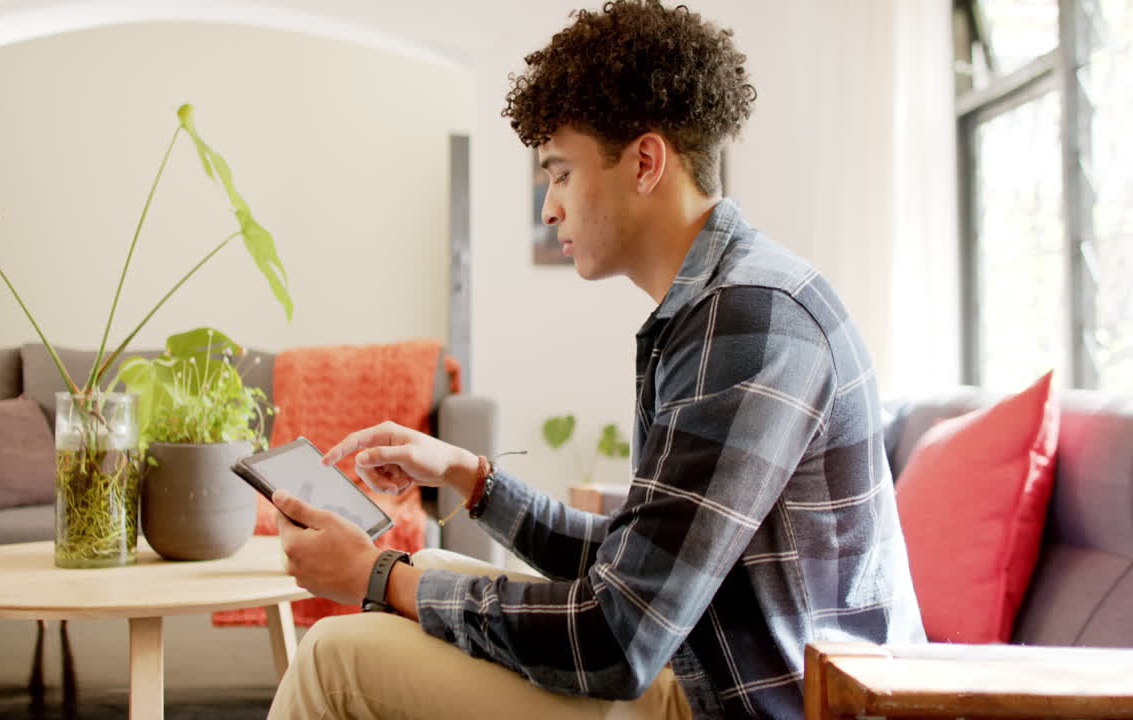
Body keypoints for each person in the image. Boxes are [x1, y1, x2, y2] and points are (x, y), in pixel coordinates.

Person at [266, 1, 925, 718]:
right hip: (695, 670)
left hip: (744, 704)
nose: (549, 208)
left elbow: (617, 638)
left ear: (644, 162)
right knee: (420, 572)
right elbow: (634, 572)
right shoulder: (722, 303)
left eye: (560, 174)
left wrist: (375, 573)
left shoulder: (749, 321)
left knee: (337, 657)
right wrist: (472, 479)